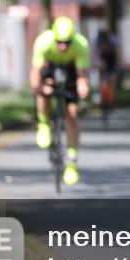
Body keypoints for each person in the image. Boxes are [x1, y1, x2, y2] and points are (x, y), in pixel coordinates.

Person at [30, 16, 91, 186]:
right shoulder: (43, 42)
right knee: (43, 92)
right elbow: (35, 74)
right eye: (59, 42)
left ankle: (71, 163)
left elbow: (82, 76)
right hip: (49, 67)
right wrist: (40, 87)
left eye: (67, 42)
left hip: (71, 68)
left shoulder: (81, 45)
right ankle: (44, 124)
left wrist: (83, 86)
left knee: (72, 114)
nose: (63, 46)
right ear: (53, 37)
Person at [94, 29, 122, 109]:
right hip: (103, 62)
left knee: (112, 82)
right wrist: (97, 64)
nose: (104, 46)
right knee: (103, 82)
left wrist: (118, 64)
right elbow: (94, 53)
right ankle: (103, 100)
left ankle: (111, 102)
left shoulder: (114, 41)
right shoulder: (97, 42)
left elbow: (119, 52)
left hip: (112, 62)